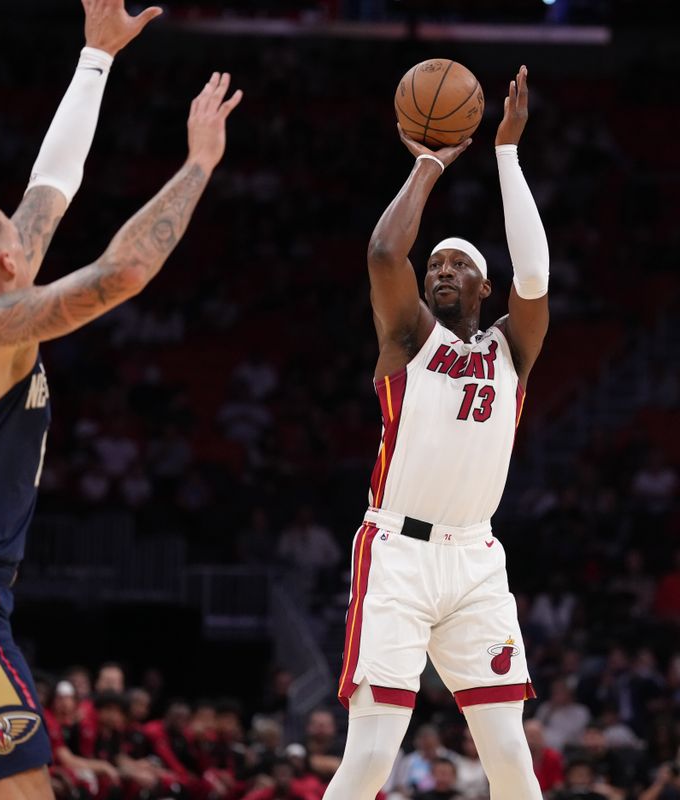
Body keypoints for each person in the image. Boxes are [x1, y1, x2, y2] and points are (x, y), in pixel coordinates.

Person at [0, 2, 243, 794]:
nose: (30, 234)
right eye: (20, 238)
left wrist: (96, 58)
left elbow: (51, 185)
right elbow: (120, 276)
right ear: (9, 264)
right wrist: (198, 166)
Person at [323, 65, 549, 800]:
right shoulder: (409, 340)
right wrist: (429, 163)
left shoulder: (510, 349)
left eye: (460, 265)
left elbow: (537, 278)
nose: (442, 270)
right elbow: (386, 255)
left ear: (486, 288)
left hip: (478, 558)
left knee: (511, 754)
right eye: (438, 265)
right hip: (396, 553)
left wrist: (507, 155)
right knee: (369, 758)